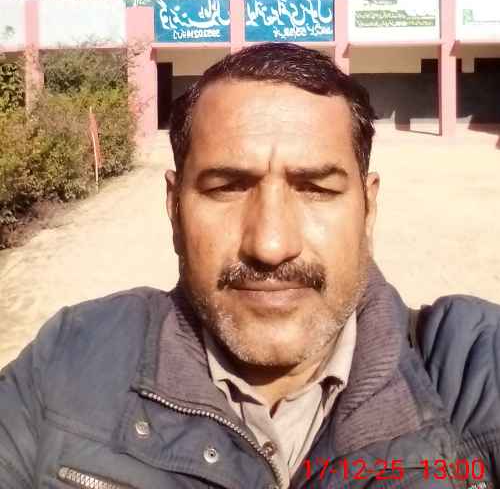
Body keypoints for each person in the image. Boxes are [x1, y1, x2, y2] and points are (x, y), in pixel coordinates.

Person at [1, 42, 499, 489]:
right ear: (175, 209)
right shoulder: (71, 362)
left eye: (316, 189)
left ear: (368, 210)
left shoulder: (471, 369)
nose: (271, 245)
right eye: (227, 188)